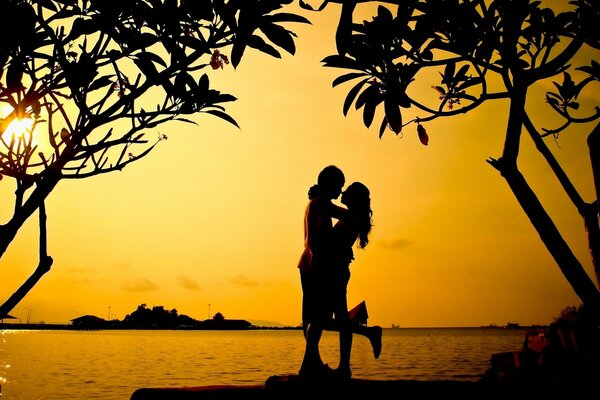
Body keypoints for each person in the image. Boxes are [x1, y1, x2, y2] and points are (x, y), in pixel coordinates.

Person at [325, 181, 382, 379]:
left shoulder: (351, 217)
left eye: (346, 191)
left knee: (327, 320)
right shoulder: (352, 216)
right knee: (339, 319)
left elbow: (328, 209)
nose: (342, 192)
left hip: (336, 271)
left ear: (353, 198)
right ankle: (345, 366)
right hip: (337, 270)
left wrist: (319, 198)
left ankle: (347, 363)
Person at [297, 165, 347, 378]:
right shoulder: (322, 205)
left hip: (307, 264)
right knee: (318, 317)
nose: (340, 191)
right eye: (339, 186)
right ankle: (310, 363)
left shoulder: (314, 203)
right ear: (331, 185)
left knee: (311, 316)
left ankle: (313, 362)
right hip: (317, 266)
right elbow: (346, 214)